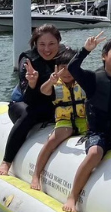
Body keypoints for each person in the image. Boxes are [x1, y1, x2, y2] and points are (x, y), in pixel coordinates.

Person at [62, 32, 111, 212]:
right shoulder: (93, 79)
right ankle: (73, 195)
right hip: (98, 133)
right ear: (104, 56)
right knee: (95, 153)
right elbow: (73, 68)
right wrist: (85, 50)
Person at [0, 24, 64, 176]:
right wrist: (32, 83)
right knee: (29, 113)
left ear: (59, 42)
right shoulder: (28, 60)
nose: (47, 49)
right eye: (42, 44)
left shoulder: (64, 56)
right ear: (35, 44)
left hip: (52, 104)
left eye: (52, 44)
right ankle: (7, 162)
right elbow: (29, 100)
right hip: (24, 104)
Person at [31, 48, 87, 190]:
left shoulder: (83, 81)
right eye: (63, 68)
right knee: (52, 141)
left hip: (83, 120)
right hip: (65, 121)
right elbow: (43, 90)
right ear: (57, 68)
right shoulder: (55, 84)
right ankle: (36, 175)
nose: (67, 72)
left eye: (70, 68)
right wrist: (51, 81)